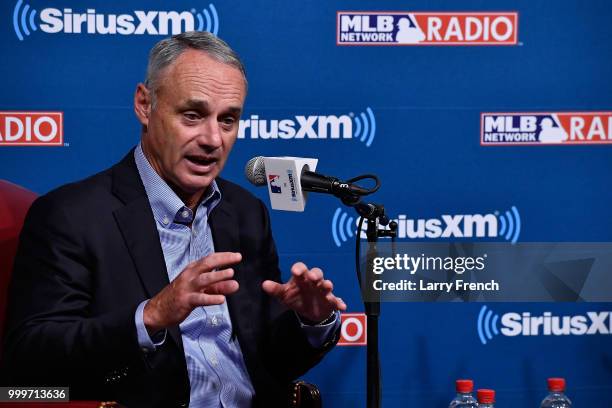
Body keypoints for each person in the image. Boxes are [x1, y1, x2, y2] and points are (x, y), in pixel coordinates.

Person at [1, 31, 346, 407]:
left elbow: (268, 362)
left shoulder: (245, 212)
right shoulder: (71, 215)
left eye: (228, 120)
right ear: (145, 105)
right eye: (193, 115)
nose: (213, 138)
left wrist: (310, 322)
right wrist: (150, 316)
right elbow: (29, 357)